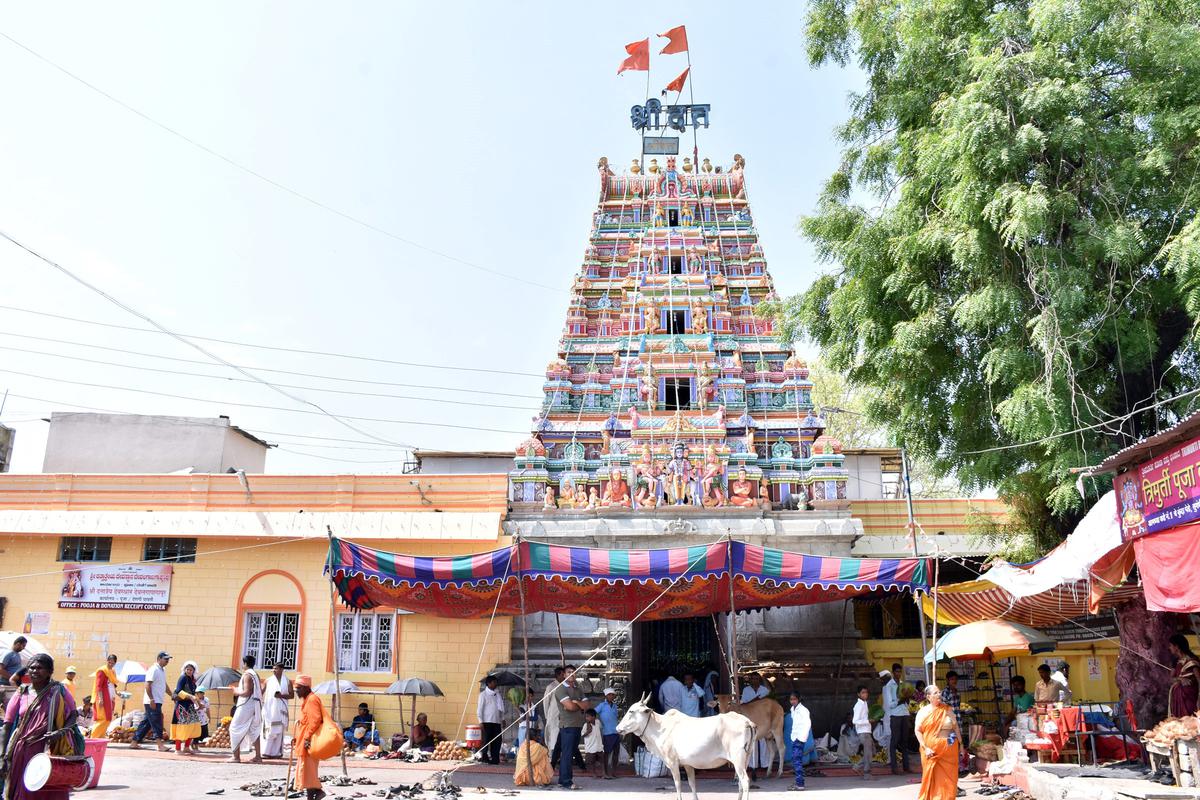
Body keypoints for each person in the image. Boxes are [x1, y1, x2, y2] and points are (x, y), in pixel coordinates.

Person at [0, 653, 83, 800]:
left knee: (50, 789)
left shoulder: (59, 691)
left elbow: (73, 715)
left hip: (50, 749)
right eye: (31, 668)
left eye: (40, 668)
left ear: (50, 672)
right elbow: (7, 725)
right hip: (23, 750)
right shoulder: (21, 692)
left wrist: (61, 732)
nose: (34, 671)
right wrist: (2, 757)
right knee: (25, 790)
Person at [914, 684, 960, 800]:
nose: (939, 694)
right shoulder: (923, 712)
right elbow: (918, 731)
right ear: (928, 697)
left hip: (948, 752)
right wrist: (925, 747)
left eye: (939, 692)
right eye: (935, 693)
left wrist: (960, 744)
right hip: (931, 751)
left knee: (949, 782)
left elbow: (955, 728)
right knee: (933, 779)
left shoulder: (947, 709)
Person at [552, 665, 591, 789]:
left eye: (574, 672)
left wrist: (576, 703)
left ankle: (562, 780)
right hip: (568, 726)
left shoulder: (578, 689)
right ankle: (566, 781)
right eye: (569, 672)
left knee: (569, 753)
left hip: (578, 725)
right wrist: (578, 704)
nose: (572, 674)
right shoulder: (560, 689)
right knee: (567, 754)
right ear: (564, 674)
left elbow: (588, 705)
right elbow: (570, 707)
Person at [292, 675, 326, 800]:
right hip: (304, 738)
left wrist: (307, 738)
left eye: (298, 688)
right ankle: (313, 795)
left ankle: (316, 793)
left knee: (308, 770)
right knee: (306, 771)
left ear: (306, 688)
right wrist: (297, 737)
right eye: (296, 689)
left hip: (310, 740)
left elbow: (315, 721)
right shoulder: (307, 699)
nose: (296, 691)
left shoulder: (312, 699)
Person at [131, 651, 171, 752]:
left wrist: (172, 695)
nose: (167, 661)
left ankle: (134, 742)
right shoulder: (153, 669)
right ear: (159, 658)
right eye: (165, 659)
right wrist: (152, 699)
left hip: (157, 700)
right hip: (152, 701)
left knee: (147, 723)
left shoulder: (162, 670)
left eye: (168, 659)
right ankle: (160, 745)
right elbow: (148, 685)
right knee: (157, 722)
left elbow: (164, 685)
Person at [229, 654, 262, 763]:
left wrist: (236, 691)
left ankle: (236, 757)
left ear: (245, 663)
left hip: (246, 705)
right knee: (254, 730)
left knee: (234, 728)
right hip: (255, 705)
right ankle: (258, 756)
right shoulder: (255, 674)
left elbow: (247, 692)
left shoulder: (248, 675)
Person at [882, 666, 912, 774]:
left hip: (904, 713)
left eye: (900, 672)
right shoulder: (889, 686)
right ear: (893, 672)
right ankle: (894, 768)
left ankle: (906, 767)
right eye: (897, 672)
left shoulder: (903, 684)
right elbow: (890, 704)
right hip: (895, 715)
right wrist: (901, 700)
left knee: (905, 741)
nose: (899, 673)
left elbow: (907, 702)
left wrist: (907, 698)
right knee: (894, 741)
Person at [741, 672, 770, 780]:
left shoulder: (764, 690)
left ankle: (765, 764)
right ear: (750, 680)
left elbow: (766, 702)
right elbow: (743, 704)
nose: (755, 680)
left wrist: (755, 701)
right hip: (749, 718)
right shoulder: (746, 690)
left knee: (762, 741)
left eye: (757, 678)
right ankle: (753, 766)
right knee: (751, 741)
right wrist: (756, 700)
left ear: (759, 680)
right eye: (753, 678)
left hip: (762, 718)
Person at [170, 660, 201, 754]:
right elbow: (178, 690)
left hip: (190, 706)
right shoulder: (183, 677)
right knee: (181, 726)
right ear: (184, 669)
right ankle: (178, 749)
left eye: (191, 670)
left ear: (194, 671)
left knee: (193, 726)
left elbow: (193, 693)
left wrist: (198, 702)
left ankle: (187, 747)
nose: (189, 671)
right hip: (182, 706)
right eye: (187, 669)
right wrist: (190, 696)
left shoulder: (192, 680)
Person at [262, 662, 292, 759]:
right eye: (273, 668)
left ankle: (276, 753)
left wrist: (281, 696)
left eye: (276, 668)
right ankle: (265, 752)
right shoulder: (268, 681)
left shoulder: (287, 681)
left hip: (281, 709)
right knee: (269, 731)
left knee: (279, 731)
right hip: (269, 710)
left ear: (282, 669)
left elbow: (291, 695)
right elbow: (261, 692)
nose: (274, 670)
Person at [1167, 633, 1199, 717]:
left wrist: (1199, 699)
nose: (1169, 648)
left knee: (1190, 720)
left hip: (1191, 697)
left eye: (1171, 645)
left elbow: (1199, 680)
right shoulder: (1175, 662)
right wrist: (1181, 679)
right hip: (1177, 699)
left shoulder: (1192, 661)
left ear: (1177, 646)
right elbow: (1170, 679)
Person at [89, 655, 119, 739]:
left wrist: (117, 693)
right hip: (101, 697)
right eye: (109, 662)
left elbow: (112, 685)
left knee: (108, 719)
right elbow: (98, 686)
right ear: (107, 661)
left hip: (110, 698)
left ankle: (100, 737)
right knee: (102, 718)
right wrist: (101, 699)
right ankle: (94, 738)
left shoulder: (112, 671)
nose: (111, 664)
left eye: (113, 663)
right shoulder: (102, 671)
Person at [477, 676, 505, 765]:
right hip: (486, 722)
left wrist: (503, 719)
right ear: (488, 684)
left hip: (496, 722)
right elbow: (479, 709)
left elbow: (501, 708)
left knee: (497, 741)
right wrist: (480, 721)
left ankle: (495, 759)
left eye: (496, 682)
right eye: (494, 682)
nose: (495, 684)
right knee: (486, 741)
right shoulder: (483, 695)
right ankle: (484, 758)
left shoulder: (497, 694)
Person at [787, 692, 812, 792]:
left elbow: (807, 725)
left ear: (799, 699)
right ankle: (798, 782)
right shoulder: (793, 709)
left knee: (797, 761)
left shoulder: (804, 710)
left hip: (799, 739)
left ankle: (800, 784)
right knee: (796, 760)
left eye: (794, 699)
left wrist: (801, 738)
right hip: (795, 737)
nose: (792, 701)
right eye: (791, 699)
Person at [594, 687, 620, 779]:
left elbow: (616, 718)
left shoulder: (615, 706)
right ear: (606, 696)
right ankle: (605, 772)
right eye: (609, 695)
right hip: (607, 733)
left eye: (613, 695)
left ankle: (613, 772)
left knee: (616, 753)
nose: (611, 696)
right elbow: (593, 713)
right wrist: (596, 722)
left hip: (616, 732)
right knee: (607, 753)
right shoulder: (602, 705)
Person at [852, 685, 874, 780]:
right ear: (858, 694)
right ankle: (866, 773)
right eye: (863, 692)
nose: (865, 694)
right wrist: (868, 721)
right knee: (869, 753)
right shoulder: (858, 705)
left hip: (867, 731)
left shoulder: (864, 703)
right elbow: (855, 720)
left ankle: (857, 767)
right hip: (863, 732)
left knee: (870, 752)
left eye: (866, 692)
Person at [542, 668, 563, 766]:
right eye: (563, 674)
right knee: (553, 737)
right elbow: (546, 702)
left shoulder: (565, 686)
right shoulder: (551, 687)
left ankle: (560, 758)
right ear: (558, 675)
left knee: (561, 736)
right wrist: (548, 715)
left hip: (563, 716)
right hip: (553, 715)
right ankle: (552, 758)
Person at [581, 709, 605, 778]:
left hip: (598, 746)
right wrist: (587, 732)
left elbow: (601, 728)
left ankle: (604, 773)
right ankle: (594, 773)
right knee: (591, 762)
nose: (586, 718)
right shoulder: (585, 725)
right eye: (586, 717)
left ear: (594, 717)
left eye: (588, 716)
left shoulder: (598, 722)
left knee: (602, 760)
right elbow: (582, 735)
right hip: (590, 747)